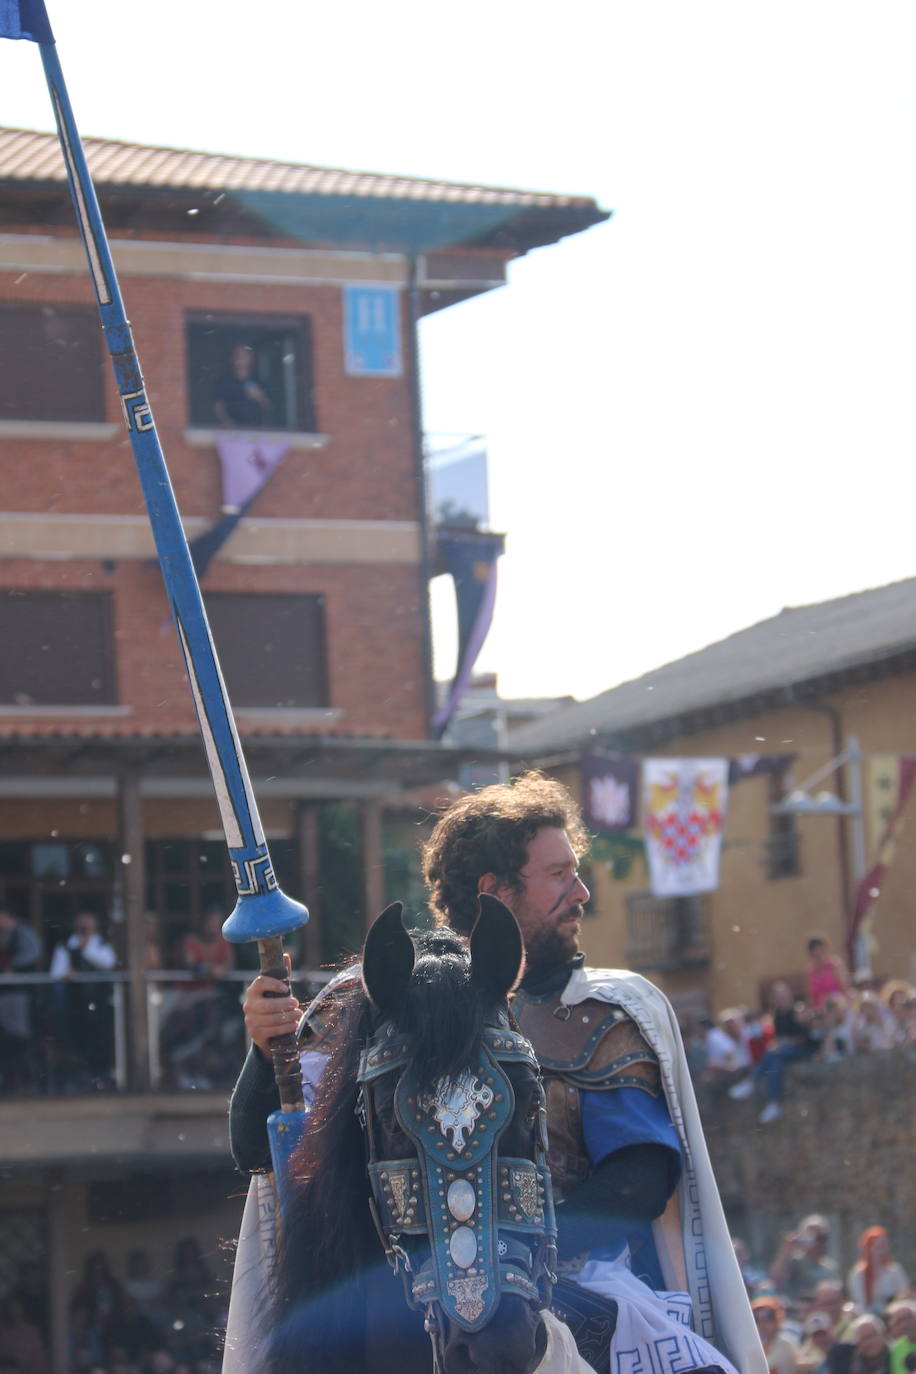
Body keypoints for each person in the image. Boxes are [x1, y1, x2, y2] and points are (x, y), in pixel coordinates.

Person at [227, 771, 765, 1374]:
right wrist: (265, 1046)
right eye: (559, 875)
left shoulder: (600, 1016)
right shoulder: (377, 1001)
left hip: (571, 1281)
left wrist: (503, 1255)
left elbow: (639, 1177)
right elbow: (267, 1157)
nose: (582, 892)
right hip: (400, 1286)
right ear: (494, 890)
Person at [729, 982, 818, 1122]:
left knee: (773, 1054)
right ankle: (773, 1103)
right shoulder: (777, 1016)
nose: (781, 999)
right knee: (775, 1063)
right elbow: (779, 1037)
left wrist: (784, 1044)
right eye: (778, 997)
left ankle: (752, 1081)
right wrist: (778, 1045)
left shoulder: (798, 1011)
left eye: (783, 996)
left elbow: (805, 1038)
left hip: (803, 1050)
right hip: (784, 1052)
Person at [49, 911, 117, 1086]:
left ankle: (100, 1074)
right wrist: (67, 974)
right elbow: (56, 973)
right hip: (75, 1003)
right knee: (76, 1040)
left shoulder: (101, 944)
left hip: (99, 1002)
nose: (84, 928)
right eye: (81, 924)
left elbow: (109, 963)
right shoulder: (66, 945)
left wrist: (86, 949)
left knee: (100, 1039)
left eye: (88, 925)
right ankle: (80, 1076)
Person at [0, 907, 42, 1091]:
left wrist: (13, 965)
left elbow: (34, 952)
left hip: (18, 992)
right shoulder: (5, 935)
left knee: (18, 1035)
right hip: (5, 992)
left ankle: (23, 1077)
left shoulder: (22, 933)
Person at [768, 1216, 839, 1303]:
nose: (818, 1243)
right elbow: (775, 1280)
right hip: (797, 1311)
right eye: (813, 1237)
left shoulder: (830, 1267)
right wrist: (785, 1252)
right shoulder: (794, 1262)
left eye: (821, 1238)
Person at [847, 1229, 909, 1315]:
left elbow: (904, 1294)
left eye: (884, 1246)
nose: (882, 1251)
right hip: (867, 1315)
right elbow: (859, 1302)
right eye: (878, 1247)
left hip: (891, 1315)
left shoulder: (895, 1271)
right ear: (868, 1249)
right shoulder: (858, 1274)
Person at [212, 345, 270, 428]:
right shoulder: (224, 381)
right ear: (232, 359)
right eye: (238, 355)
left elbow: (267, 409)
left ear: (251, 359)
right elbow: (217, 406)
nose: (241, 358)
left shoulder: (259, 381)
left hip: (255, 432)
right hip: (232, 433)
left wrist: (260, 397)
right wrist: (227, 423)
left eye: (244, 355)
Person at [752, 1297, 799, 1374]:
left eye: (767, 1317)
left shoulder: (786, 1343)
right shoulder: (759, 1345)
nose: (762, 1323)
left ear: (777, 1318)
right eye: (757, 1319)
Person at [805, 936, 850, 1010]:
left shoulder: (835, 965)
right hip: (820, 1011)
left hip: (838, 1008)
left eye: (821, 953)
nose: (819, 957)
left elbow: (845, 989)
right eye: (815, 955)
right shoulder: (810, 971)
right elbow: (810, 996)